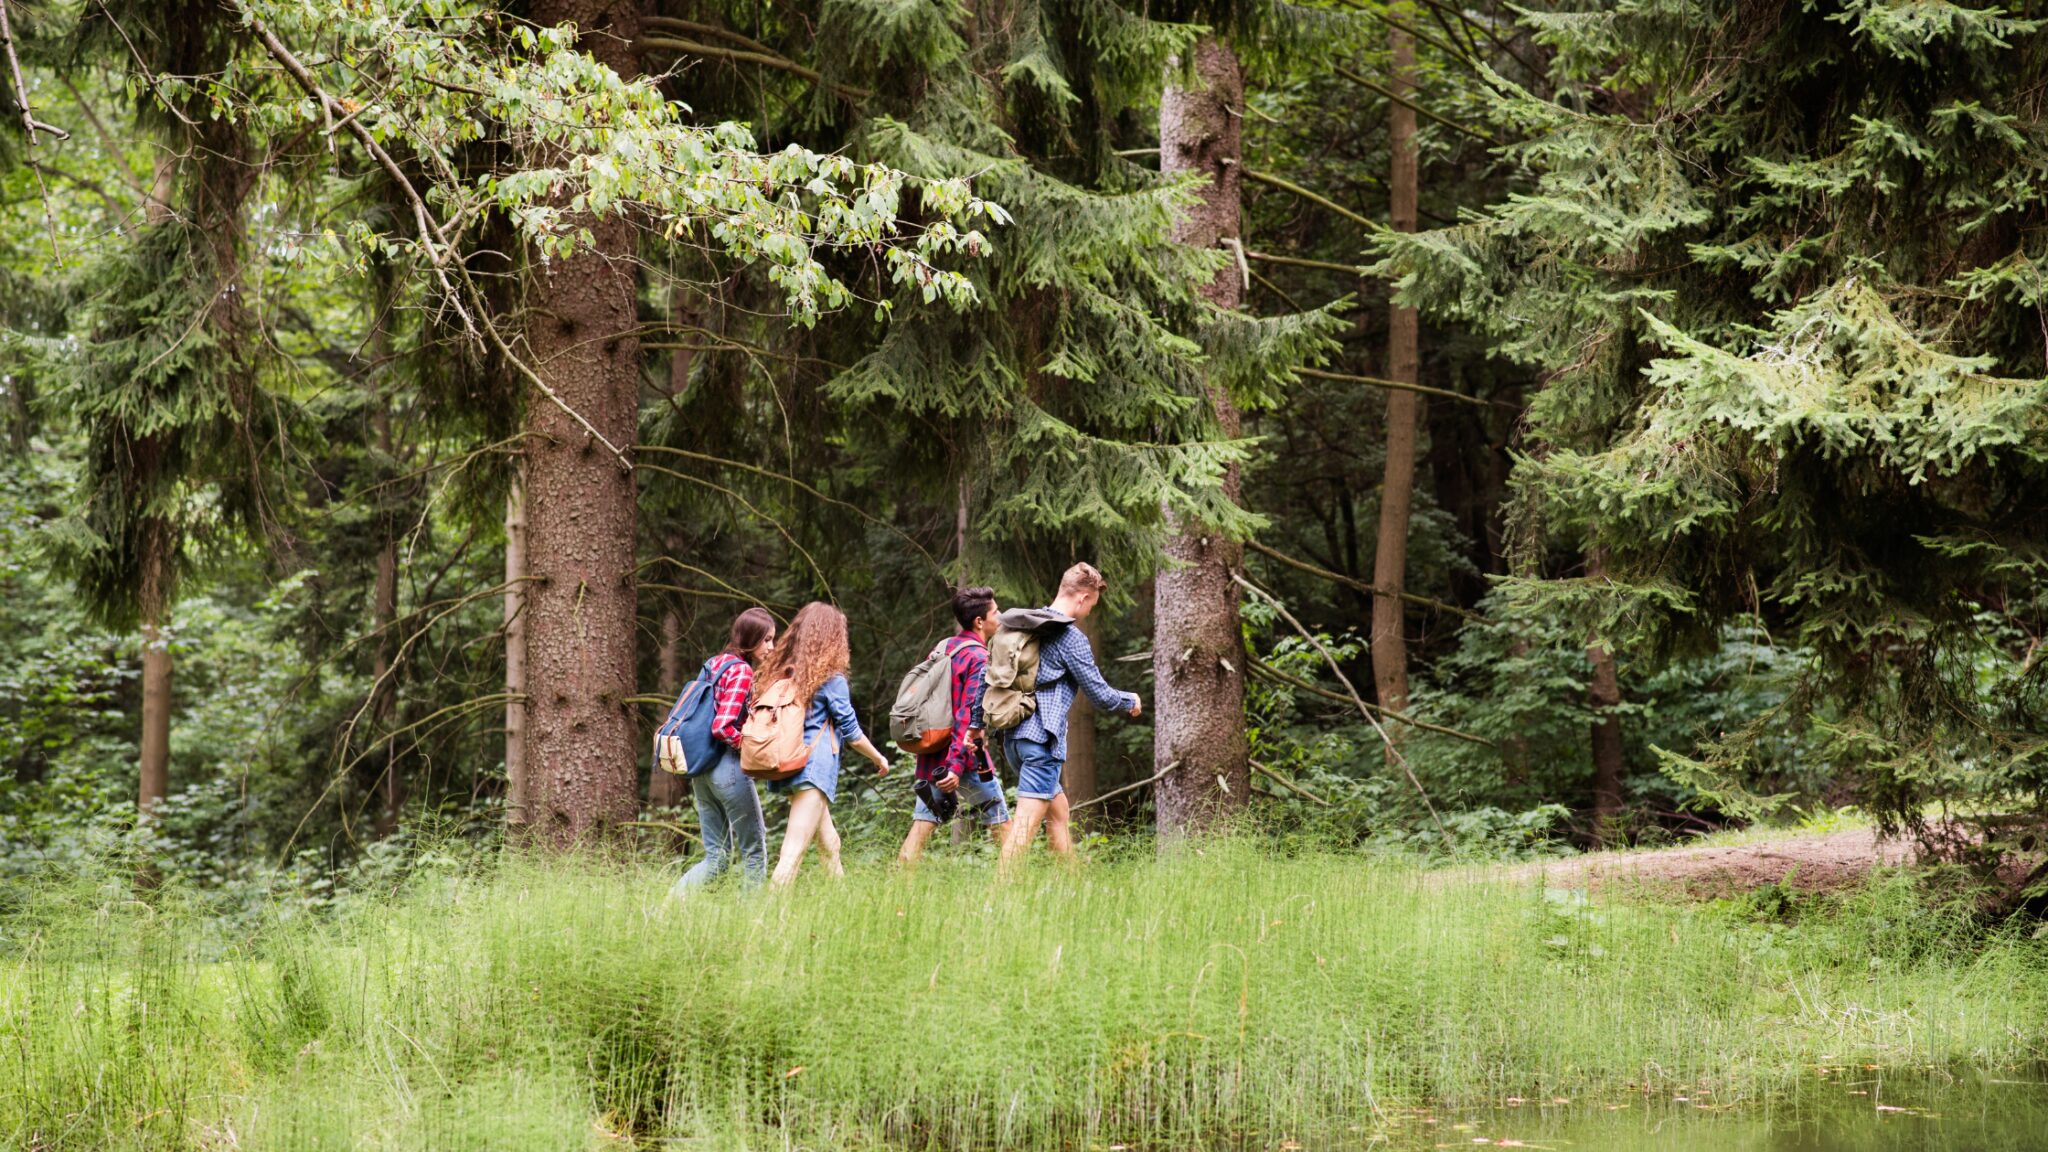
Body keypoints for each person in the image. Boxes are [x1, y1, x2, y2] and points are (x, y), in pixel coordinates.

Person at [997, 563, 1141, 867]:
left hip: (1014, 738)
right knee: (1023, 831)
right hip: (1041, 744)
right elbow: (1099, 694)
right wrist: (1130, 700)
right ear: (1082, 598)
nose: (1089, 612)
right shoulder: (1070, 637)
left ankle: (1073, 891)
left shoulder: (1026, 625)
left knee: (1059, 814)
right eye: (1091, 605)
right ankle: (994, 904)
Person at [758, 602, 892, 886]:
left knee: (830, 844)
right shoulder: (831, 678)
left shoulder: (785, 672)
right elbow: (852, 731)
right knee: (792, 853)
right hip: (813, 768)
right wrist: (878, 758)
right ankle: (766, 922)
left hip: (788, 764)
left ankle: (843, 908)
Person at [897, 587, 1009, 863]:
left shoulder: (944, 647)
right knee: (1002, 825)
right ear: (979, 621)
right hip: (964, 760)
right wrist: (955, 766)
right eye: (996, 612)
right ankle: (1013, 889)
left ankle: (898, 894)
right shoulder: (979, 657)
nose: (1001, 616)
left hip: (932, 753)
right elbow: (968, 718)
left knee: (921, 827)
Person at [668, 608, 776, 894]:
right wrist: (751, 747)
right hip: (726, 768)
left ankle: (667, 908)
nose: (771, 647)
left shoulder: (714, 663)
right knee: (755, 851)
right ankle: (750, 921)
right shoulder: (742, 670)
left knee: (717, 858)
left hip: (701, 768)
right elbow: (722, 726)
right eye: (767, 640)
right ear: (751, 638)